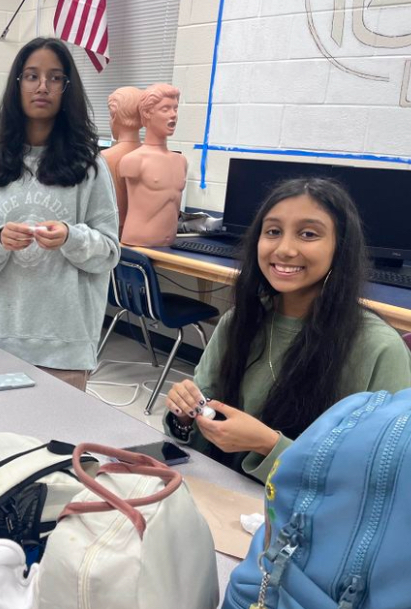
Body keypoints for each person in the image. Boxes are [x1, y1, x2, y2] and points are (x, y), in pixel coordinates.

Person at [164, 177, 411, 482]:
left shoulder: (379, 349)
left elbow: (382, 478)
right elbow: (203, 432)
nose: (284, 249)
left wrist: (269, 445)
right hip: (224, 493)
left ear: (340, 247)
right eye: (273, 232)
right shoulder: (240, 321)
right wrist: (186, 416)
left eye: (308, 234)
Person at [0, 37, 120, 391]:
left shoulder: (90, 168)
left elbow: (109, 251)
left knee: (58, 444)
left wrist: (71, 237)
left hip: (66, 347)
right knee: (0, 442)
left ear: (67, 87)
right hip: (1, 340)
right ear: (17, 86)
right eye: (31, 76)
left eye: (55, 77)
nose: (43, 86)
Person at [118, 83, 186, 247]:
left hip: (169, 246)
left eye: (175, 109)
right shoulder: (134, 160)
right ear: (147, 113)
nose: (173, 115)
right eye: (165, 109)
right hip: (138, 245)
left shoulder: (181, 161)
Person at [100, 86, 143, 232]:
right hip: (142, 234)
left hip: (115, 233)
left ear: (114, 115)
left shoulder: (104, 158)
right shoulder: (151, 156)